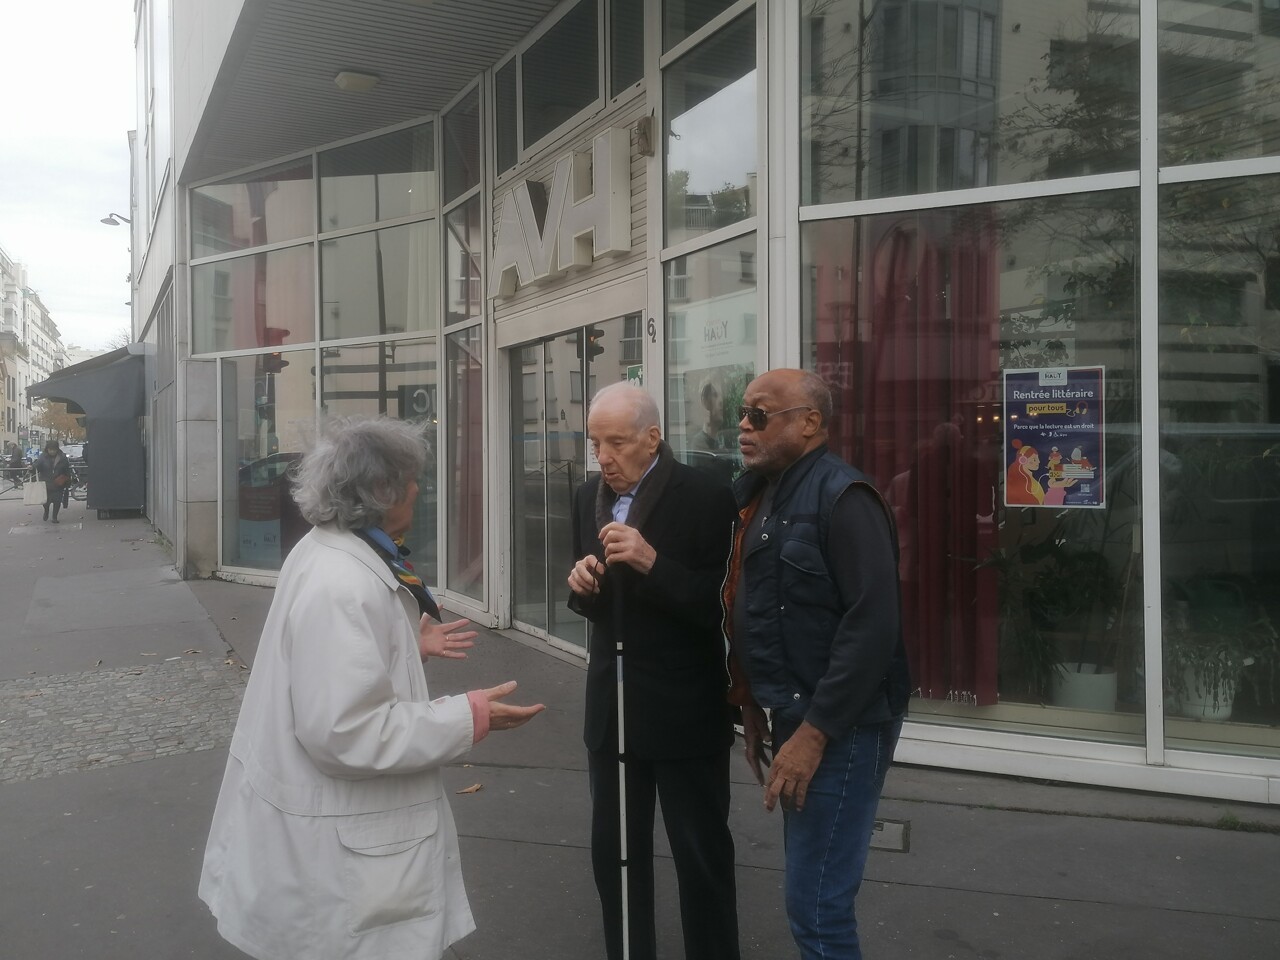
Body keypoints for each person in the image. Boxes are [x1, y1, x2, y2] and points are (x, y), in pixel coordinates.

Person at [199, 416, 544, 960]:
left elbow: (335, 664)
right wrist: (468, 716)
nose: (417, 489)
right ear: (381, 490)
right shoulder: (343, 582)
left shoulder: (329, 551)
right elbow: (344, 731)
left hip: (331, 846)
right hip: (339, 861)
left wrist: (405, 640)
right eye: (410, 479)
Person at [725, 369, 910, 960]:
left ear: (809, 423)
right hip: (795, 715)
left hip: (840, 728)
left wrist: (812, 734)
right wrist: (753, 701)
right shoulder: (763, 493)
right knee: (812, 896)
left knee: (818, 906)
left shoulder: (844, 497)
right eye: (742, 412)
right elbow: (760, 609)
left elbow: (873, 626)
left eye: (760, 414)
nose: (743, 425)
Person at [567, 382, 741, 960]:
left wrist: (651, 562)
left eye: (616, 443)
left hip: (684, 710)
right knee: (613, 855)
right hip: (611, 711)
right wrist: (582, 587)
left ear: (653, 437)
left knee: (701, 857)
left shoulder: (708, 497)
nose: (604, 458)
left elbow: (719, 606)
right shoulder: (587, 494)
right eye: (595, 444)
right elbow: (600, 609)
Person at [33, 440, 71, 523]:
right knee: (46, 502)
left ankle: (54, 517)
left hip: (59, 483)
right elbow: (37, 466)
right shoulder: (43, 457)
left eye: (54, 449)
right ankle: (46, 511)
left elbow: (67, 470)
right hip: (46, 483)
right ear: (47, 449)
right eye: (50, 449)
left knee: (57, 501)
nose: (52, 451)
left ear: (57, 449)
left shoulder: (62, 457)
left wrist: (68, 481)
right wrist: (31, 468)